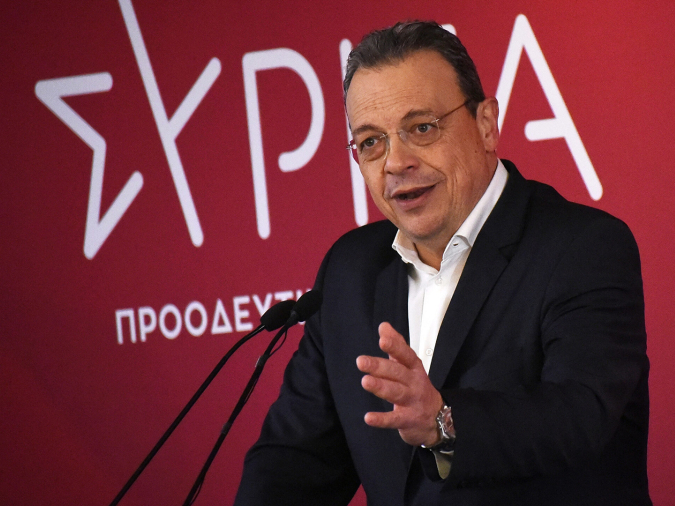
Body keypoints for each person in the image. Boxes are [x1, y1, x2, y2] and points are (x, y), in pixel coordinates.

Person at [235, 20, 650, 506]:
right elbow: (294, 463)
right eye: (371, 142)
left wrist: (443, 421)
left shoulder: (582, 247)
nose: (395, 162)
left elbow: (578, 417)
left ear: (486, 125)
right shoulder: (350, 271)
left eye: (422, 128)